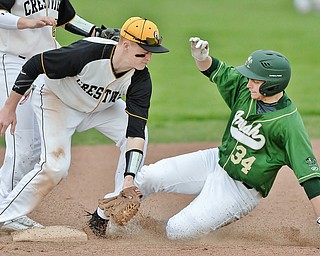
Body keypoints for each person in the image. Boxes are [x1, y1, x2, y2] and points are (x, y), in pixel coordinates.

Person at [133, 37, 320, 240]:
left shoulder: (289, 124)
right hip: (215, 160)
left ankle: (180, 224)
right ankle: (103, 219)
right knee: (147, 177)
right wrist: (201, 57)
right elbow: (213, 70)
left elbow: (311, 178)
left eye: (255, 80)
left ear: (273, 85)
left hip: (241, 190)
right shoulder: (245, 89)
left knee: (178, 231)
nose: (248, 83)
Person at [0, 15, 168, 234]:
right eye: (143, 52)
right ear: (125, 45)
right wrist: (10, 107)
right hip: (56, 100)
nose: (148, 58)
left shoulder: (140, 78)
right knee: (55, 167)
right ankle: (5, 214)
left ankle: (112, 206)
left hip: (99, 109)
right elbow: (35, 64)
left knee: (138, 132)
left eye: (151, 53)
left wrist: (130, 178)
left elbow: (135, 132)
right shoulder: (88, 53)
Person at [0, 0, 120, 232]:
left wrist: (96, 31)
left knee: (35, 148)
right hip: (12, 62)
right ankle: (5, 211)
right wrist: (28, 22)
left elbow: (68, 20)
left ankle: (7, 207)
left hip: (44, 66)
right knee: (23, 145)